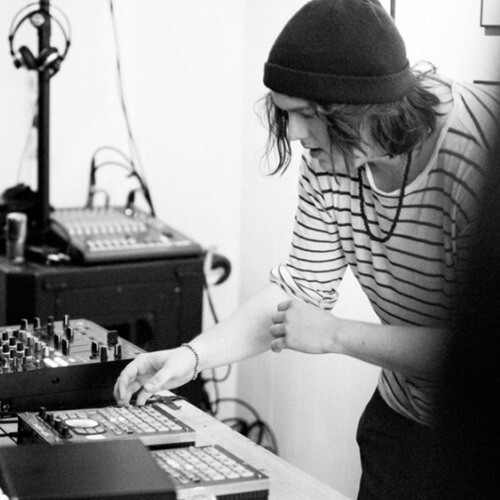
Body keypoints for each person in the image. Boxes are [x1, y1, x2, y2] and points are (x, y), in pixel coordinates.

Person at [114, 0, 500, 497]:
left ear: (365, 106)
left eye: (306, 114)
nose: (295, 134)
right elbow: (298, 292)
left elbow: (481, 349)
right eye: (285, 113)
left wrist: (336, 334)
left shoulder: (477, 148)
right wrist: (190, 358)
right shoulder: (330, 156)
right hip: (404, 418)